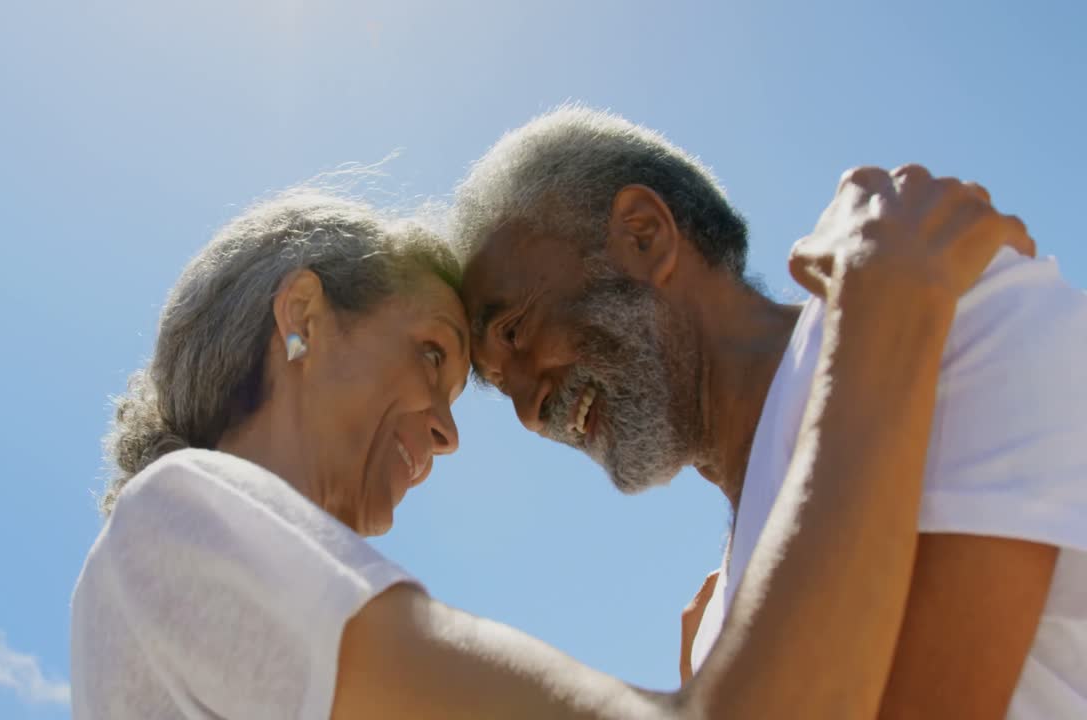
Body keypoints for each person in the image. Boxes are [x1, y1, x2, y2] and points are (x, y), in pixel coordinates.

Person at [70, 175, 1029, 719]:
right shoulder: (178, 516)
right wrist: (881, 307)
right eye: (432, 355)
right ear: (302, 317)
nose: (448, 433)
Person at [453, 105, 1086, 719]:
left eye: (515, 331)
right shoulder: (714, 636)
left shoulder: (949, 298)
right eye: (504, 387)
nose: (529, 412)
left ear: (643, 235)